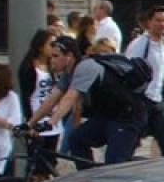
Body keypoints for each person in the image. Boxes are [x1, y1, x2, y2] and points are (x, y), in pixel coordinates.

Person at [49, 38, 147, 167]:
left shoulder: (85, 67)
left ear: (69, 56)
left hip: (126, 117)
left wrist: (51, 122)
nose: (51, 60)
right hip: (106, 115)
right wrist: (30, 123)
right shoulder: (69, 73)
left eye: (55, 56)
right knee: (76, 139)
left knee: (113, 164)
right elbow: (52, 98)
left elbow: (69, 98)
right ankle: (89, 179)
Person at [124, 6, 164, 157]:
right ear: (149, 22)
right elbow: (127, 69)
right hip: (141, 101)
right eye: (157, 20)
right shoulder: (140, 44)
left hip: (157, 102)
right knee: (130, 143)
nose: (161, 24)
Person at [17, 27, 61, 180]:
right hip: (37, 117)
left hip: (53, 121)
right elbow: (26, 97)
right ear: (40, 46)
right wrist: (31, 122)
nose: (53, 48)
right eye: (50, 44)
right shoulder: (29, 68)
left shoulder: (53, 66)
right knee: (38, 165)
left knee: (49, 162)